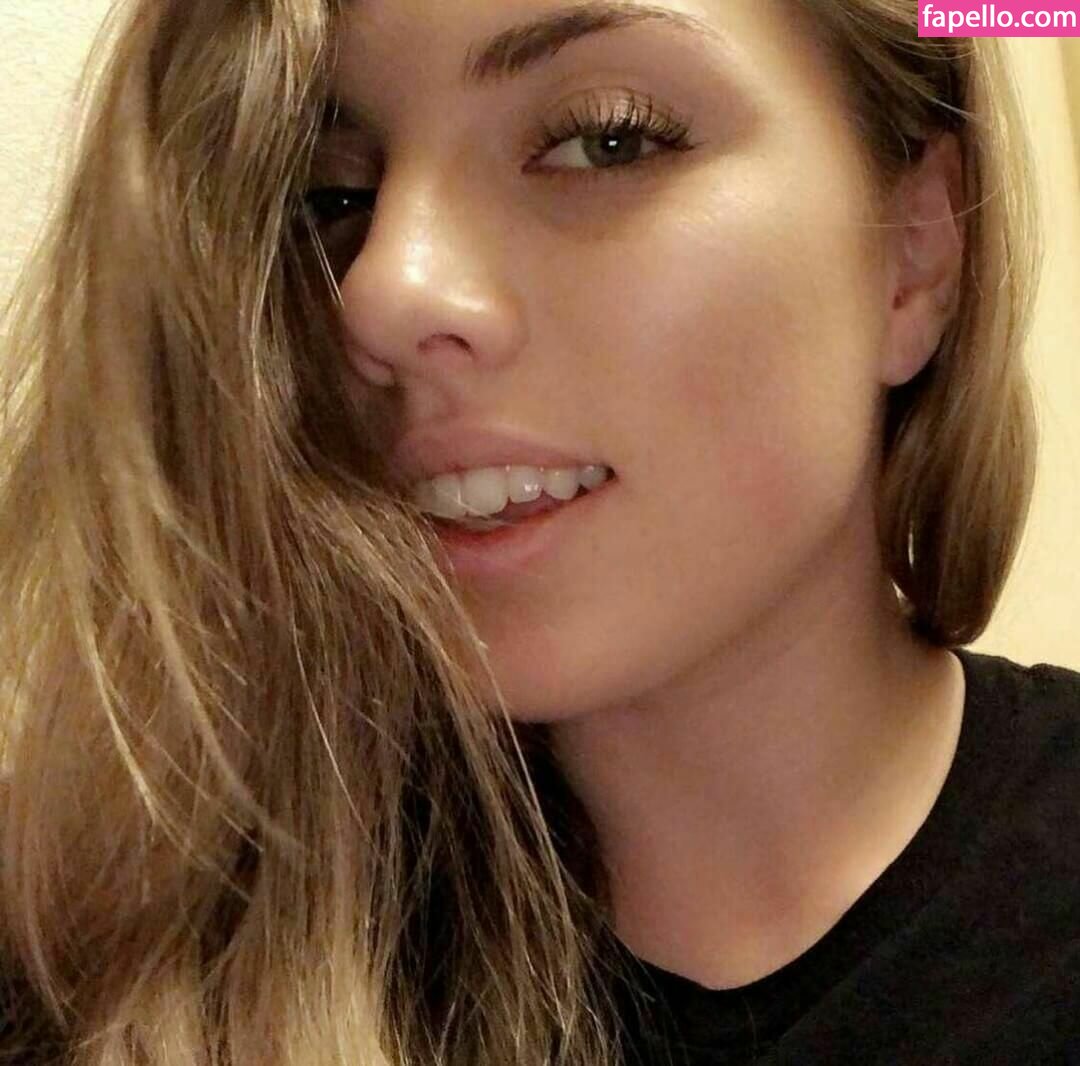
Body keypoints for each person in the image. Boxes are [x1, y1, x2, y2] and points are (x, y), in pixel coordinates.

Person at [0, 0, 1076, 1063]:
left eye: (607, 140)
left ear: (917, 255)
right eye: (332, 195)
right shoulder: (110, 961)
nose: (381, 294)